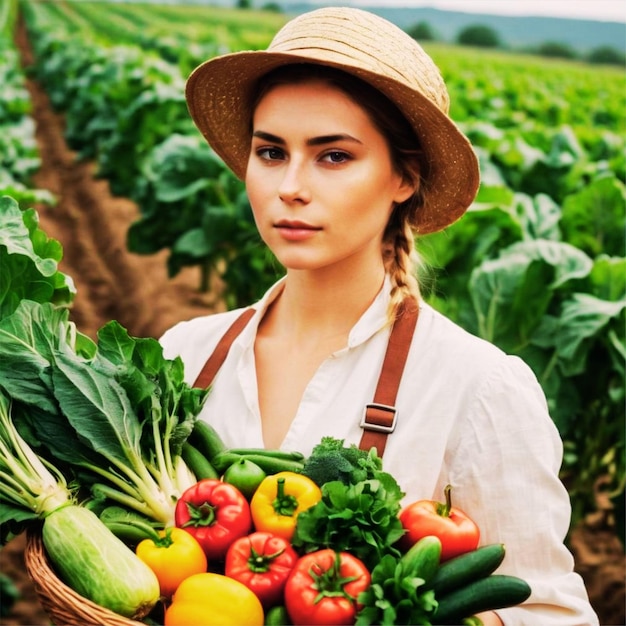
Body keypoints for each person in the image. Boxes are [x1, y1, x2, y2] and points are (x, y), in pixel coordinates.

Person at [160, 7, 598, 624]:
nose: (290, 186)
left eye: (333, 156)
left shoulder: (478, 388)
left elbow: (552, 613)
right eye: (270, 151)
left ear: (403, 178)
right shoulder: (185, 353)